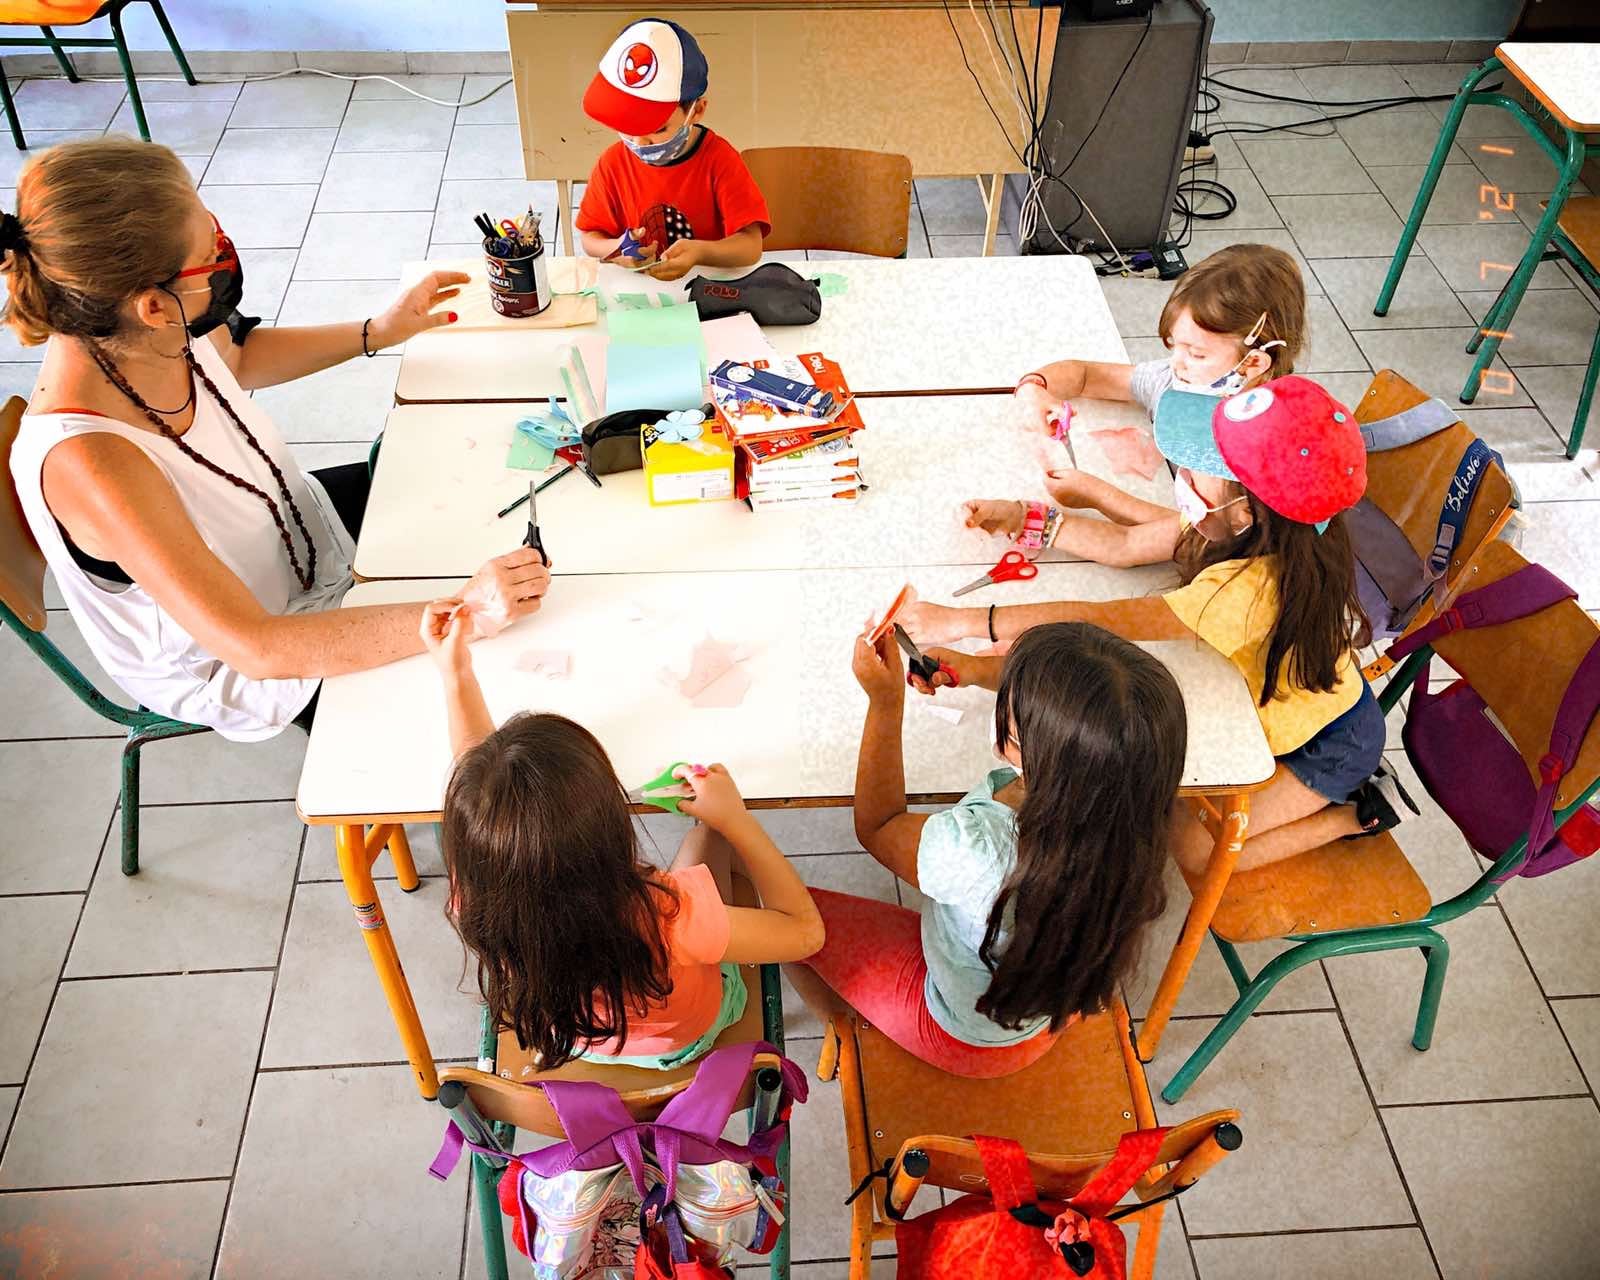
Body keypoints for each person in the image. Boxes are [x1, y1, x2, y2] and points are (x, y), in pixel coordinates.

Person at [3, 137, 549, 742]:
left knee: (474, 484)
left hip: (287, 531)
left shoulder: (134, 327)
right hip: (246, 655)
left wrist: (379, 330)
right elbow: (256, 647)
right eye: (208, 254)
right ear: (154, 307)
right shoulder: (91, 462)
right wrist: (465, 612)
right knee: (507, 690)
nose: (222, 253)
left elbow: (237, 356)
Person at [902, 377, 1413, 878]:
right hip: (1276, 702)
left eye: (1201, 466)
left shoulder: (1242, 591)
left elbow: (1095, 621)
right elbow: (1131, 540)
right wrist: (1030, 516)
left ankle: (1359, 813)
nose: (1183, 475)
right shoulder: (1266, 527)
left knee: (1195, 852)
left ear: (1246, 510)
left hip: (1330, 746)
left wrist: (962, 621)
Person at [422, 599, 823, 1069]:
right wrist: (735, 819)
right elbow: (806, 933)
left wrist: (455, 672)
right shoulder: (668, 916)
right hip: (685, 1037)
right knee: (710, 836)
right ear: (609, 832)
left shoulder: (477, 893)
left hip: (580, 1040)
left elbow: (483, 788)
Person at [784, 622, 1183, 1077]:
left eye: (1011, 729)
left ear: (1033, 751)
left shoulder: (975, 850)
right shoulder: (1134, 805)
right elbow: (1083, 706)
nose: (1000, 728)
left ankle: (841, 1031)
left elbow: (878, 827)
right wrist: (976, 670)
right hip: (1047, 1012)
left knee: (785, 914)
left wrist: (885, 702)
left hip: (967, 1037)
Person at [969, 243, 1309, 567]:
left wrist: (1097, 496)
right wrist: (1034, 388)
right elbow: (1085, 375)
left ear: (1253, 363)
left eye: (1196, 353)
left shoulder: (1265, 461)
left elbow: (1198, 540)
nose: (1176, 363)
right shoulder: (1182, 381)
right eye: (1174, 345)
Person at [576, 18, 770, 282]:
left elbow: (751, 246)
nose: (640, 143)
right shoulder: (612, 163)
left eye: (657, 129)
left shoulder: (719, 160)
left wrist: (700, 252)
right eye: (627, 126)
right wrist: (618, 248)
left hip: (705, 289)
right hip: (639, 290)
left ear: (697, 110)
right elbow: (590, 237)